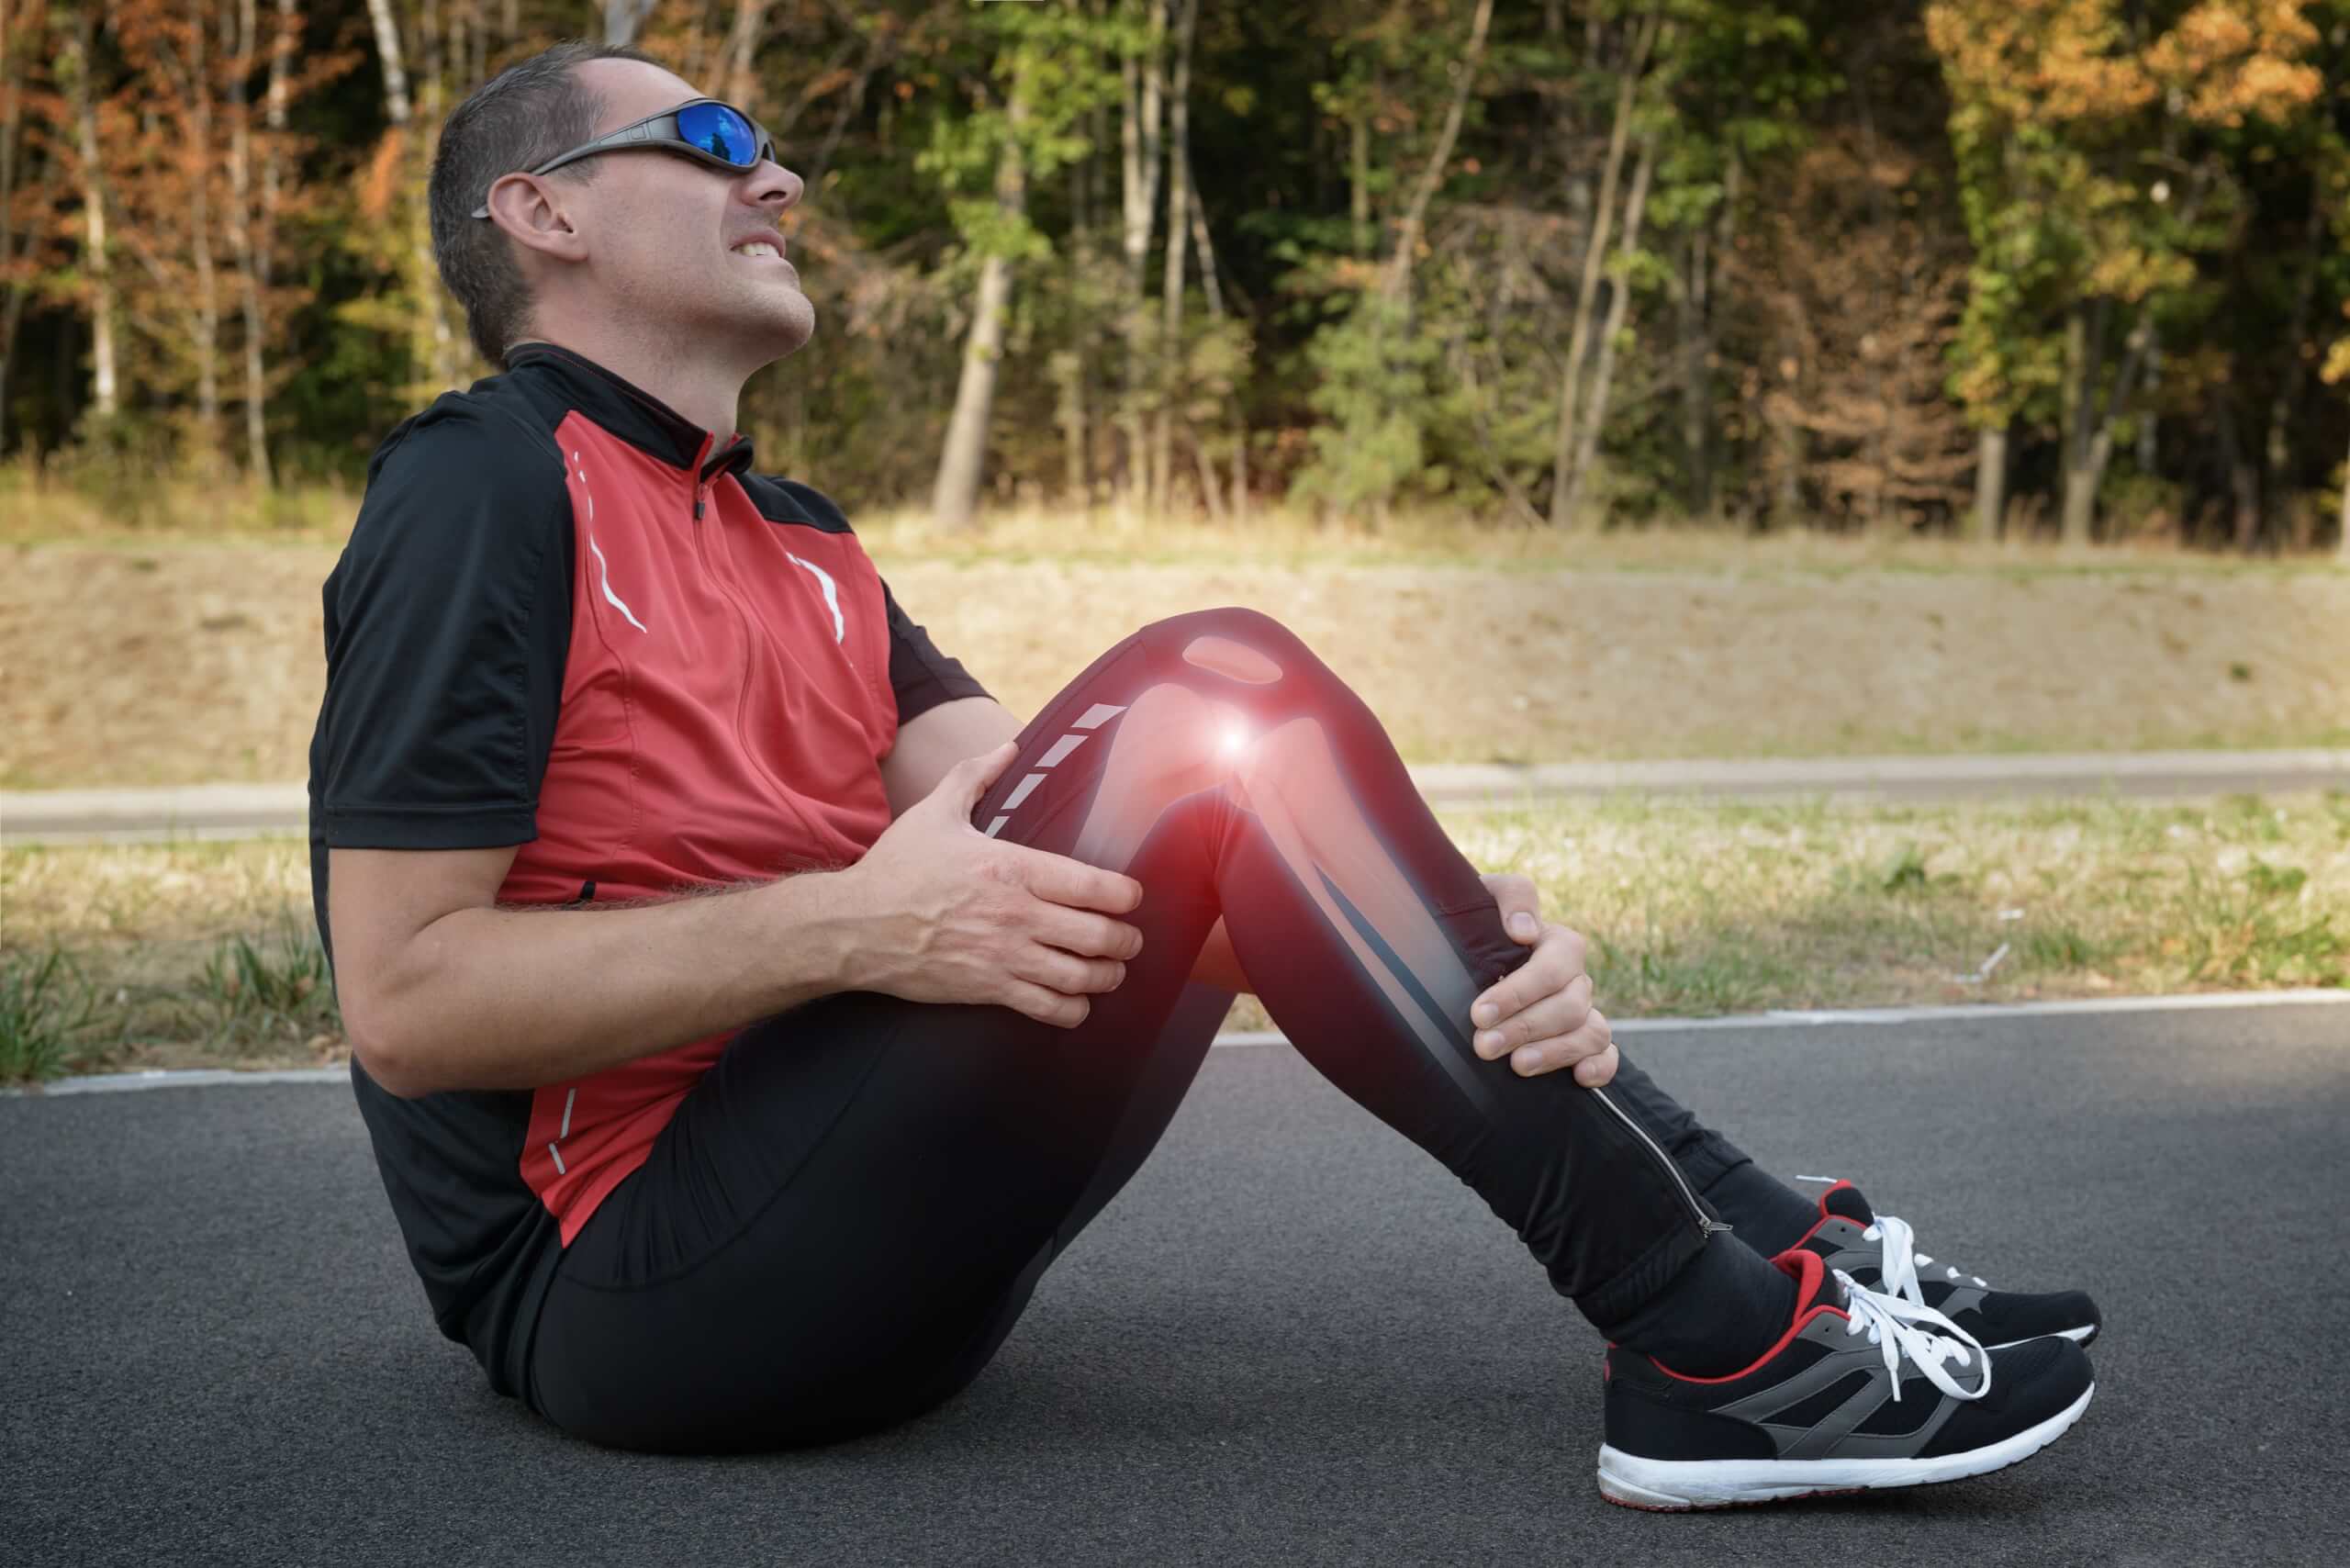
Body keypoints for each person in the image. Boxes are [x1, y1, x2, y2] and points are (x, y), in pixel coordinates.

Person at [306, 40, 2100, 1510]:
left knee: (1229, 731)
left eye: (768, 148)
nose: (776, 181)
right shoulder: (483, 487)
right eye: (707, 140)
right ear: (537, 211)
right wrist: (850, 926)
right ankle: (1713, 1341)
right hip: (637, 1293)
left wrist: (1448, 934)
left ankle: (1789, 1251)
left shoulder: (799, 536)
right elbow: (404, 999)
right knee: (1212, 670)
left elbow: (1126, 815)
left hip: (863, 1251)